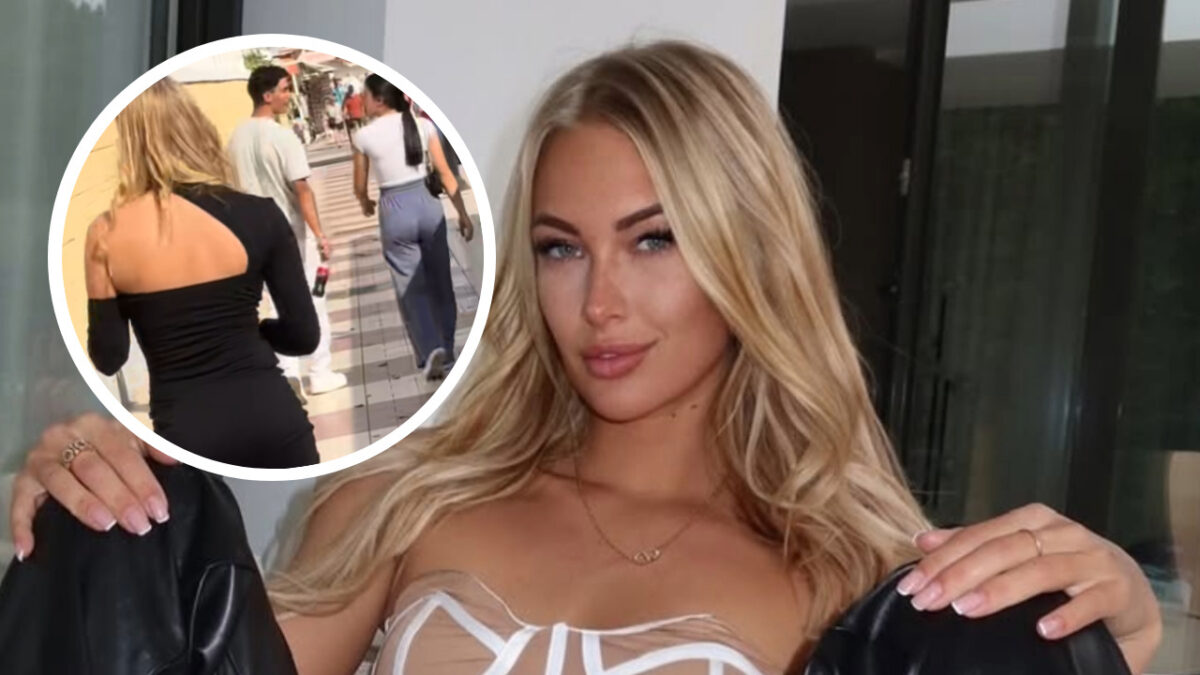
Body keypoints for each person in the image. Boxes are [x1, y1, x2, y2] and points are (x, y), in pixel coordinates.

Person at [10, 42, 1161, 673]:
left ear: (751, 252)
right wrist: (100, 500)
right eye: (562, 249)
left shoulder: (849, 571)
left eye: (654, 240)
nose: (601, 303)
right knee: (125, 530)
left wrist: (1112, 631)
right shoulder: (406, 501)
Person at [81, 78, 320, 469]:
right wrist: (255, 331)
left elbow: (109, 357)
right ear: (195, 127)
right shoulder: (259, 214)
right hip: (272, 416)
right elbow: (304, 336)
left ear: (130, 143)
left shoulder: (105, 234)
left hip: (186, 433)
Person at [227, 66, 348, 398]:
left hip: (250, 234)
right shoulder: (283, 137)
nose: (289, 95)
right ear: (267, 96)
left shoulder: (234, 140)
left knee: (274, 304)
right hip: (288, 234)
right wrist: (320, 234)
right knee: (313, 299)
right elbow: (302, 190)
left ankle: (288, 373)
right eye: (284, 89)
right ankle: (320, 372)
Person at [352, 73, 474, 379]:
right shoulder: (423, 125)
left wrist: (365, 203)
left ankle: (430, 348)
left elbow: (359, 186)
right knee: (441, 284)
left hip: (394, 210)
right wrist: (462, 213)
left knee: (411, 287)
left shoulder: (363, 136)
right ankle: (448, 352)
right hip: (428, 206)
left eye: (365, 95)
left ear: (380, 100)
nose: (362, 100)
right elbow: (446, 174)